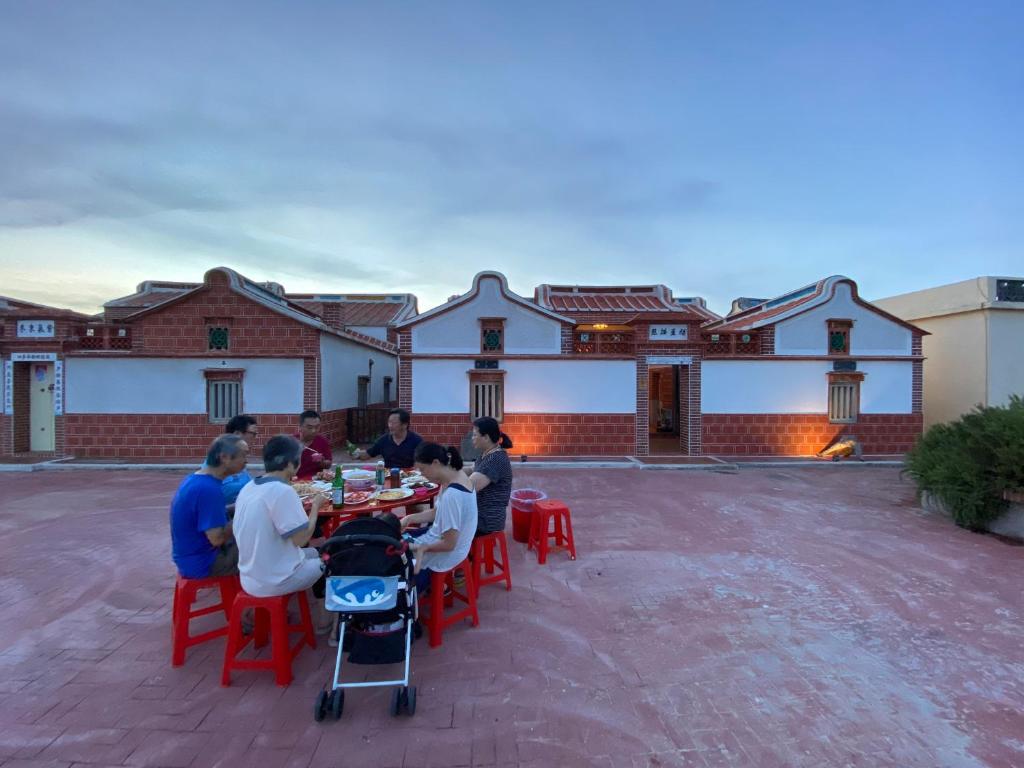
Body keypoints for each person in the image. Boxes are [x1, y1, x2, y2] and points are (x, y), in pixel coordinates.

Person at [233, 435, 328, 597]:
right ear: (290, 464)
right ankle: (324, 609)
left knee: (317, 552)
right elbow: (301, 540)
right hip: (275, 580)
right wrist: (315, 507)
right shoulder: (282, 491)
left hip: (251, 577)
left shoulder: (250, 486)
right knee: (331, 559)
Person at [400, 443, 477, 591]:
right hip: (444, 541)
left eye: (423, 469)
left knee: (396, 553)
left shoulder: (452, 494)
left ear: (435, 463)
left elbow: (449, 544)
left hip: (449, 552)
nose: (422, 474)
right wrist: (409, 519)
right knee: (399, 539)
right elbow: (438, 512)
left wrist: (419, 548)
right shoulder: (454, 476)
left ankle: (421, 589)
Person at [170, 435, 249, 579]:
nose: (246, 461)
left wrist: (242, 506)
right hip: (205, 562)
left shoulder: (196, 479)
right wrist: (243, 516)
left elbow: (212, 515)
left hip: (189, 558)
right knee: (263, 543)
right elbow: (217, 539)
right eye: (243, 455)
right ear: (224, 457)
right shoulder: (208, 489)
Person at [468, 417, 514, 536]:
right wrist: (451, 470)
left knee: (448, 522)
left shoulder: (495, 459)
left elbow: (468, 487)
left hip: (487, 520)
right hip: (478, 513)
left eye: (475, 435)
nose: (472, 438)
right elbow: (471, 470)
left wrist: (448, 476)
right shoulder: (486, 454)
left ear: (486, 437)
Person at [351, 408, 423, 469]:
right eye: (389, 422)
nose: (390, 426)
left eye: (394, 423)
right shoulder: (383, 440)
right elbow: (368, 454)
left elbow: (423, 462)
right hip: (388, 476)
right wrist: (356, 453)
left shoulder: (416, 441)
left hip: (409, 477)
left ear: (405, 425)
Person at [221, 415, 259, 505]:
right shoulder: (219, 464)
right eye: (253, 434)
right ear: (237, 434)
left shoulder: (239, 461)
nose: (256, 438)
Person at [294, 410, 332, 480]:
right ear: (300, 426)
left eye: (317, 427)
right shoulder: (290, 442)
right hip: (294, 481)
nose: (313, 431)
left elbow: (328, 464)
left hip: (316, 481)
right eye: (309, 427)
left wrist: (321, 462)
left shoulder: (322, 441)